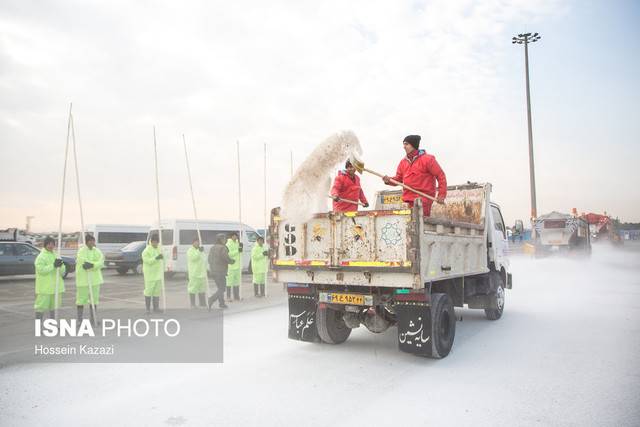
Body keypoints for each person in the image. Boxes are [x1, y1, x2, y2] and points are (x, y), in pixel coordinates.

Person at [382, 134, 447, 216]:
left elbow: (441, 176)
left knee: (419, 225)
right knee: (409, 226)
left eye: (406, 144)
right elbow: (398, 179)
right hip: (408, 200)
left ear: (413, 145)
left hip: (423, 200)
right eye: (403, 144)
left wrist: (441, 195)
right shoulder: (403, 162)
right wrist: (389, 180)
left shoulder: (428, 159)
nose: (404, 147)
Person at [34, 236, 65, 320]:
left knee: (54, 307)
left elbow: (62, 271)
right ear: (45, 245)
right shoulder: (41, 256)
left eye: (52, 244)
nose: (51, 246)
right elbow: (41, 270)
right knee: (40, 307)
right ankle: (38, 326)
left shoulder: (56, 255)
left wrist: (61, 266)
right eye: (49, 244)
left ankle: (53, 324)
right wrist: (53, 265)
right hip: (45, 288)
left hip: (56, 287)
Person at [75, 234, 104, 324]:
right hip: (83, 280)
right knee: (81, 300)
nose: (92, 242)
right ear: (86, 242)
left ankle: (93, 318)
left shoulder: (97, 251)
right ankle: (80, 320)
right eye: (90, 241)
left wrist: (93, 265)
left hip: (95, 280)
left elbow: (101, 261)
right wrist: (92, 264)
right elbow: (83, 262)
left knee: (94, 300)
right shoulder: (81, 251)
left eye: (93, 241)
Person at [207, 233, 232, 309]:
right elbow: (226, 258)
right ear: (221, 240)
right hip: (220, 272)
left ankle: (221, 303)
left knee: (220, 288)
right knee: (222, 288)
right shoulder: (223, 248)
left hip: (213, 271)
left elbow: (209, 259)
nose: (225, 240)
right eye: (224, 239)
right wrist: (231, 261)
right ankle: (211, 299)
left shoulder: (212, 248)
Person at [141, 234, 164, 314]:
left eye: (157, 242)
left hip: (158, 274)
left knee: (157, 291)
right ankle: (147, 309)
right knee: (148, 291)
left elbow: (163, 260)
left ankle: (156, 308)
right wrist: (156, 258)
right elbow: (148, 261)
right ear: (151, 242)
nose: (155, 244)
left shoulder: (159, 249)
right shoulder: (146, 251)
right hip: (149, 275)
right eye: (154, 242)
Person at [186, 236, 207, 308]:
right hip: (194, 273)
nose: (197, 243)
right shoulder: (190, 250)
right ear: (193, 243)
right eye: (196, 242)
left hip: (202, 273)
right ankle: (193, 304)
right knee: (193, 288)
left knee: (202, 288)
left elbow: (204, 260)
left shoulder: (200, 250)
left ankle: (202, 303)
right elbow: (193, 258)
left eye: (198, 242)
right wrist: (199, 251)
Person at [225, 233, 242, 301]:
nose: (235, 237)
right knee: (229, 282)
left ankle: (236, 296)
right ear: (231, 237)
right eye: (234, 236)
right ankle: (228, 297)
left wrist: (240, 248)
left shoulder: (238, 243)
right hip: (231, 266)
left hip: (237, 266)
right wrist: (237, 250)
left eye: (236, 236)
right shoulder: (228, 244)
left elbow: (240, 253)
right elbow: (228, 254)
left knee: (237, 282)